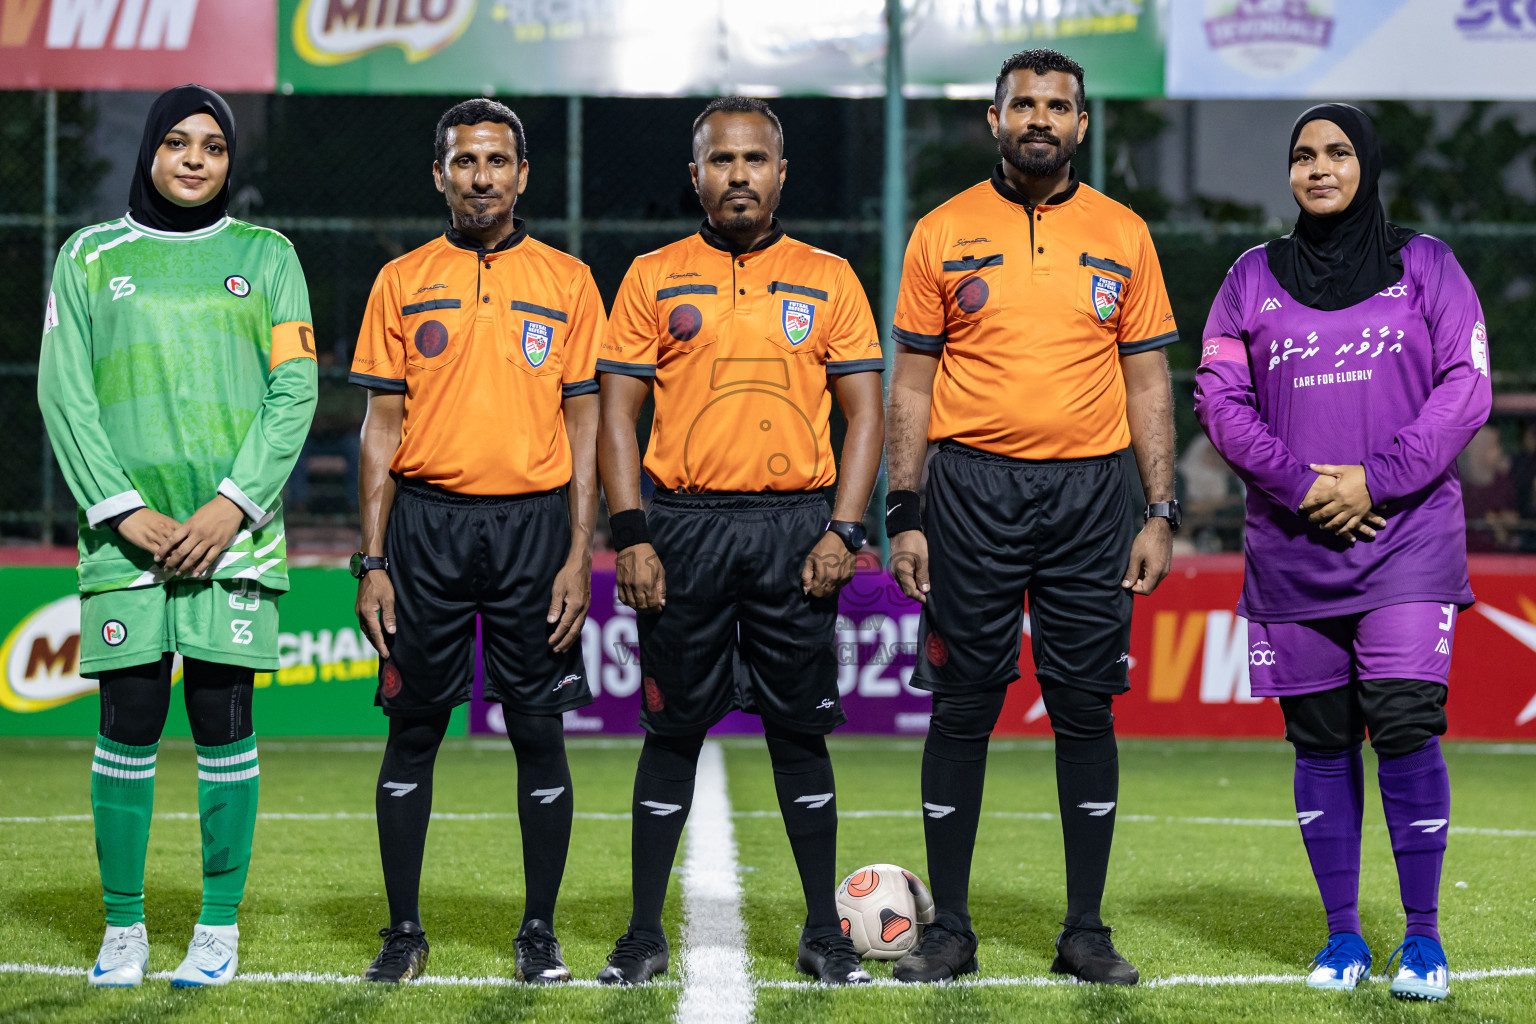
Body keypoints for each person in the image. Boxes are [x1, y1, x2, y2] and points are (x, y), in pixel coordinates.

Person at [884, 49, 1179, 985]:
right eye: (1024, 104)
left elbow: (1148, 380)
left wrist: (1159, 508)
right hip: (970, 491)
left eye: (1058, 105)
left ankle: (1085, 931)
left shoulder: (1124, 232)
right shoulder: (941, 230)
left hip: (1095, 497)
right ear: (995, 119)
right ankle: (952, 930)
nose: (1040, 118)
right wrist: (906, 510)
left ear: (1082, 125)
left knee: (1085, 709)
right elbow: (913, 383)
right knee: (964, 705)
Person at [1195, 103, 1491, 1002]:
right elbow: (1219, 398)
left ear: (1365, 164)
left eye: (1336, 153)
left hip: (1405, 538)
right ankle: (1343, 938)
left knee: (1403, 723)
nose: (1318, 168)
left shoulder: (1427, 265)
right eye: (1302, 156)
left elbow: (1466, 386)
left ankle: (1425, 943)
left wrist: (1376, 479)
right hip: (1294, 543)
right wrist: (1303, 484)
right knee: (1319, 740)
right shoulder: (1251, 277)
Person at [595, 96, 885, 986]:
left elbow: (865, 410)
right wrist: (632, 533)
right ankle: (645, 934)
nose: (739, 175)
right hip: (681, 528)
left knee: (801, 733)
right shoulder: (651, 275)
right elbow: (616, 414)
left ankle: (822, 934)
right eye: (721, 161)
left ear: (781, 172)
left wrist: (844, 527)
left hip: (795, 530)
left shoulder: (829, 276)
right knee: (670, 730)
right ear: (696, 175)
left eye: (755, 160)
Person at [37, 85, 319, 988]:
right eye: (178, 142)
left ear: (230, 161)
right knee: (128, 721)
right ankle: (123, 929)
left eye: (214, 146)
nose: (196, 159)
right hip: (127, 538)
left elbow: (296, 390)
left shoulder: (268, 257)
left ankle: (217, 927)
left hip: (230, 536)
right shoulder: (87, 257)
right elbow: (63, 392)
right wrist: (122, 510)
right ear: (151, 151)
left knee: (222, 722)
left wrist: (231, 506)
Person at [348, 99, 603, 985]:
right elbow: (381, 427)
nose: (482, 176)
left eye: (497, 161)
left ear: (522, 174)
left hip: (535, 530)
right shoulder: (401, 279)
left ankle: (538, 931)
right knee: (414, 728)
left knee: (539, 729)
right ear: (440, 175)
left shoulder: (569, 281)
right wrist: (372, 560)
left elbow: (585, 425)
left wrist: (580, 553)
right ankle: (403, 931)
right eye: (465, 162)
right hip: (425, 528)